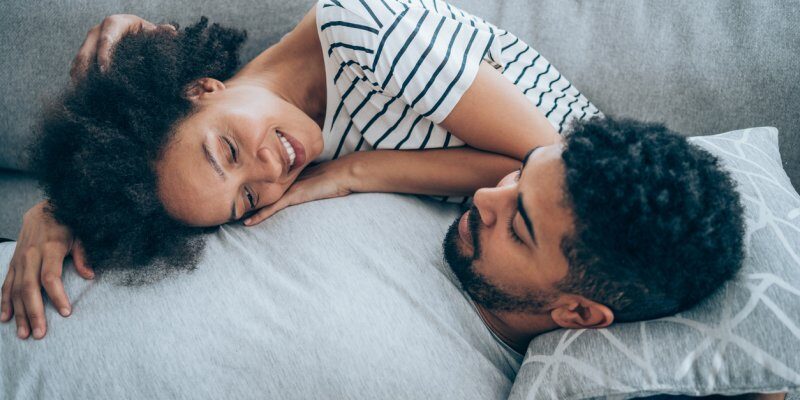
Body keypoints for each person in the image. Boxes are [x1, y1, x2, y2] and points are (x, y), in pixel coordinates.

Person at [0, 0, 745, 349]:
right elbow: (166, 183)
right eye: (247, 199)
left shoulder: (365, 35)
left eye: (229, 152)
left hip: (587, 198)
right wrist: (60, 210)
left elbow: (539, 159)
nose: (270, 171)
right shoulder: (256, 132)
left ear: (203, 87)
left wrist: (352, 173)